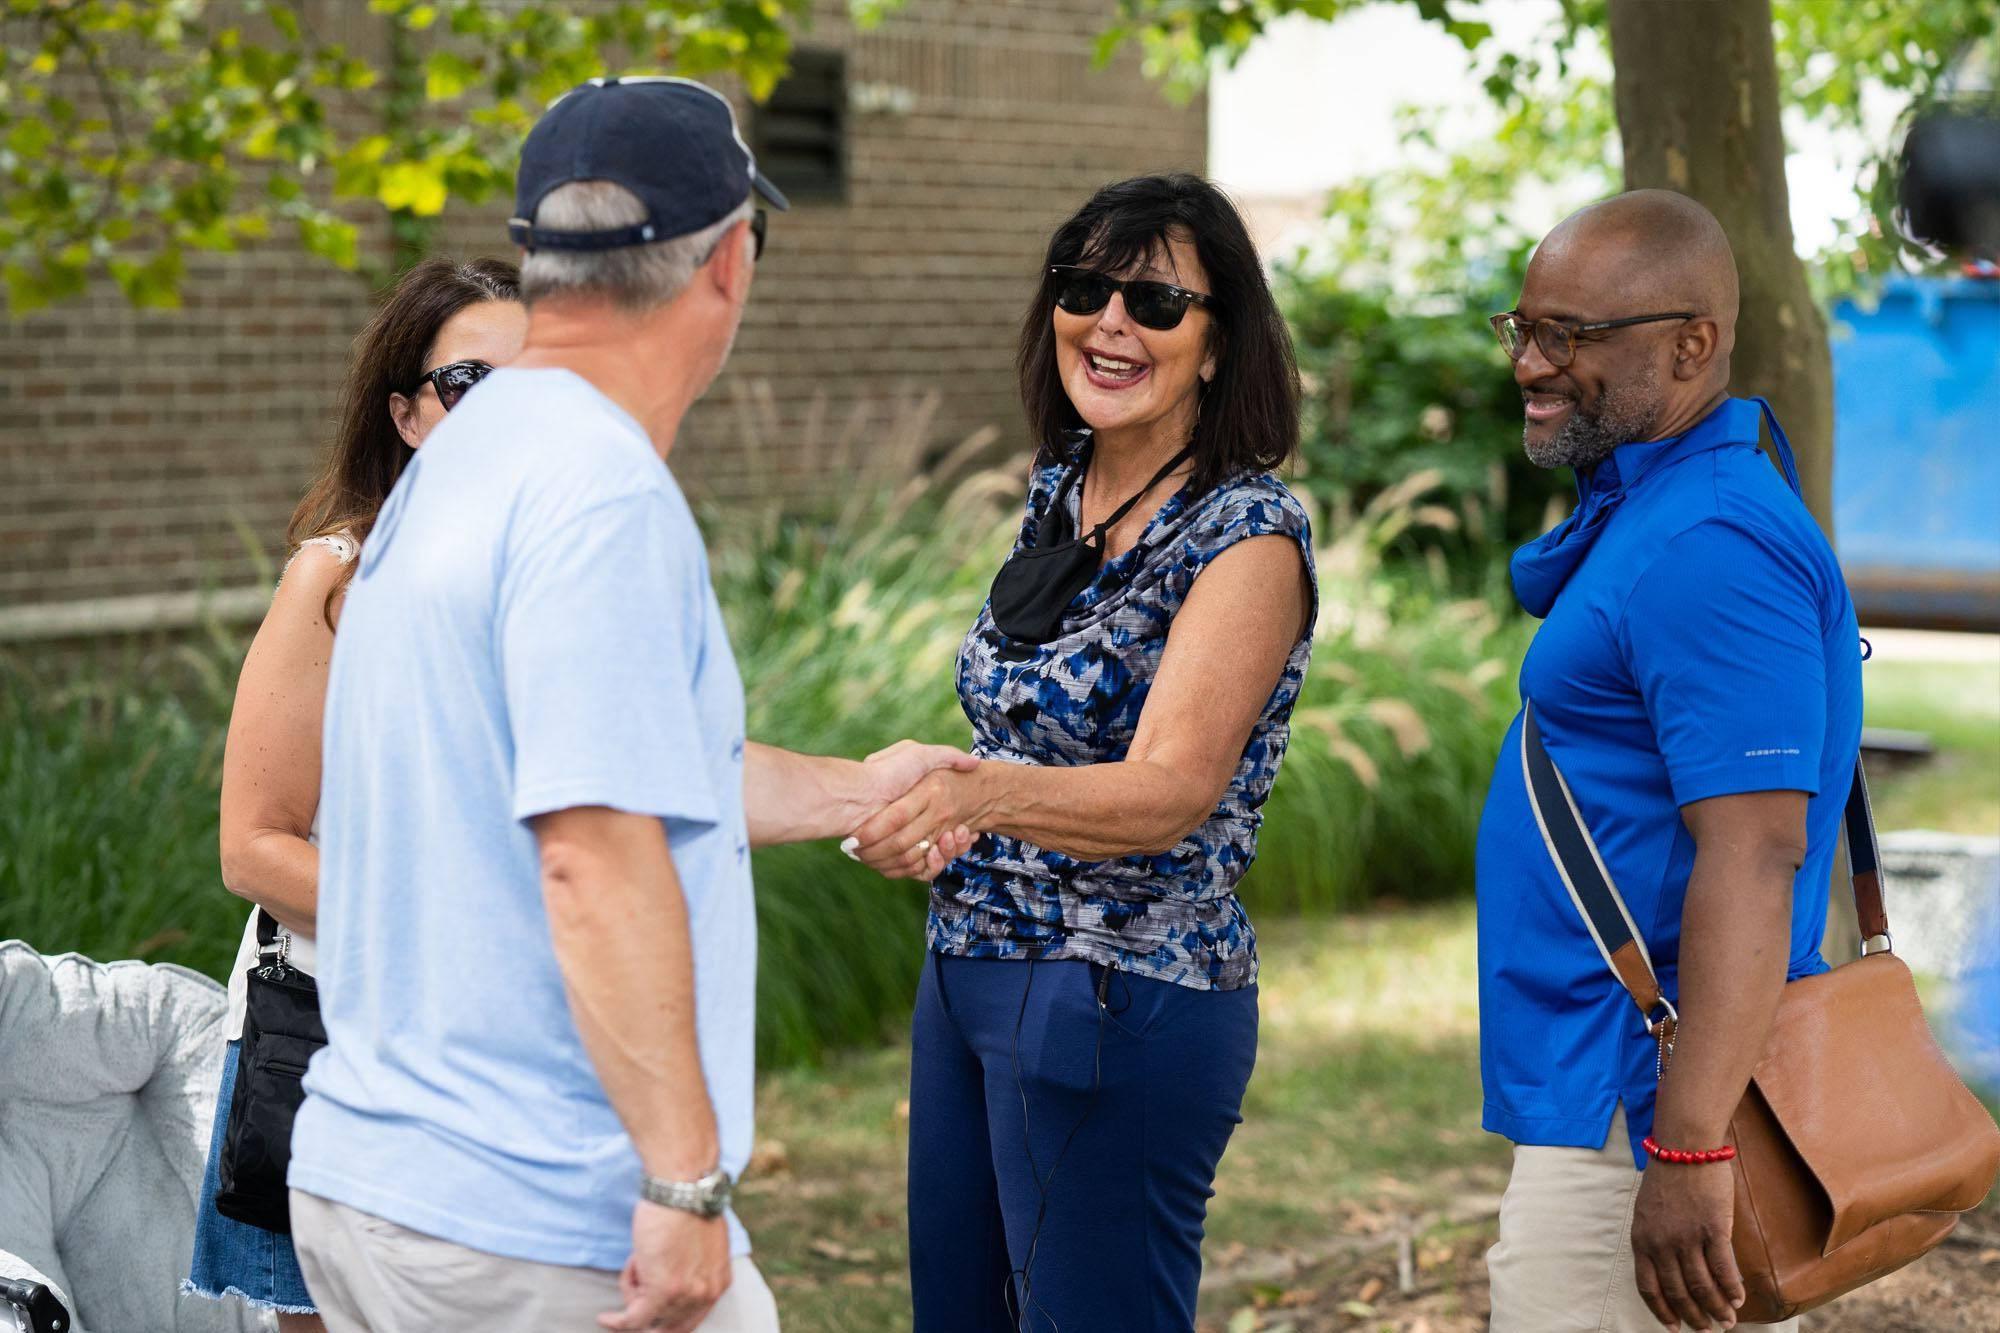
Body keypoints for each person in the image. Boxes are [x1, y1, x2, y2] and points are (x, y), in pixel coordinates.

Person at [283, 77, 975, 1333]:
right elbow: (592, 856)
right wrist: (682, 1180)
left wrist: (866, 790)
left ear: (541, 263)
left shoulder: (458, 467)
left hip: (380, 1187)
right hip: (543, 1222)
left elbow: (639, 766)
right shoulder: (597, 492)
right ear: (728, 261)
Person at [848, 173, 1317, 1332]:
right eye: (1083, 287)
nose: (1108, 321)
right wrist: (950, 813)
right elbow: (1024, 734)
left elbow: (1168, 794)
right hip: (966, 969)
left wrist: (968, 789)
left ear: (1216, 344)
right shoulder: (1061, 489)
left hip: (1117, 991)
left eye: (1154, 302)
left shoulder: (1243, 535)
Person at [1473, 190, 1863, 1333]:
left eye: (1572, 336)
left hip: (1645, 1105)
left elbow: (1754, 851)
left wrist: (1687, 1144)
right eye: (1524, 328)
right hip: (1622, 1090)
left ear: (1692, 343)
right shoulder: (1664, 503)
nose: (1530, 366)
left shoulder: (1709, 541)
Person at [184, 256, 526, 1331]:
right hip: (346, 1038)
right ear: (407, 412)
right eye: (471, 381)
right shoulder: (336, 579)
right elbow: (255, 847)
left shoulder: (553, 580)